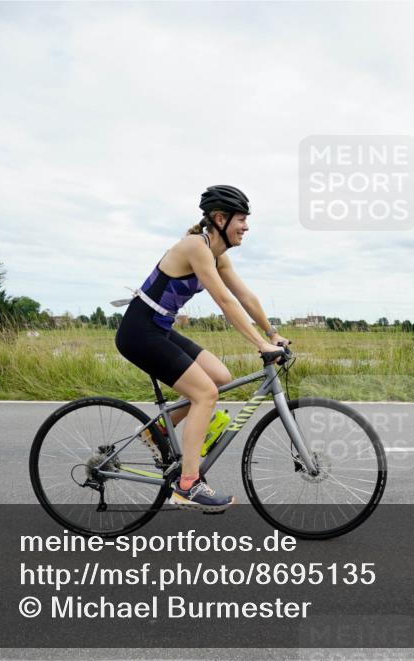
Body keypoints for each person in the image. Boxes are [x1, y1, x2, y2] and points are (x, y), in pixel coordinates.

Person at [115, 185, 290, 512]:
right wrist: (261, 345)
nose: (246, 227)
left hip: (159, 328)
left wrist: (272, 333)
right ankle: (187, 485)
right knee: (205, 394)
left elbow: (245, 297)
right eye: (241, 220)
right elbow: (224, 301)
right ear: (220, 219)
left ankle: (157, 431)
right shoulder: (196, 247)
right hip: (139, 331)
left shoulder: (218, 255)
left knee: (220, 376)